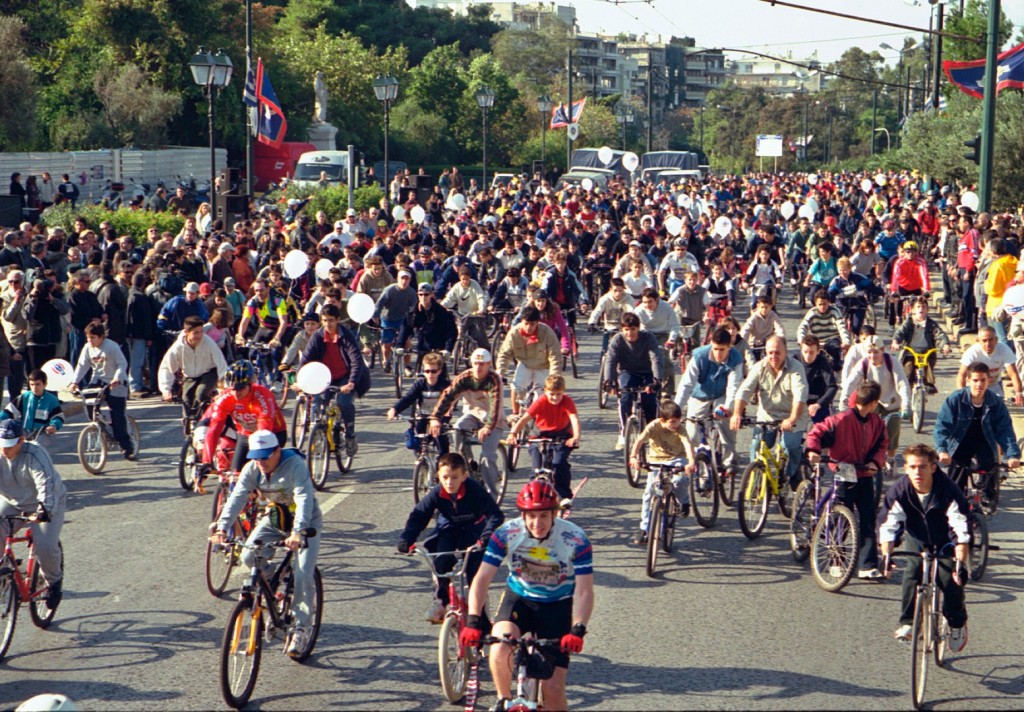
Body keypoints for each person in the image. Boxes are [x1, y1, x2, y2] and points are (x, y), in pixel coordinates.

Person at [459, 479, 594, 712]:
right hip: (519, 598)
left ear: (554, 514)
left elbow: (584, 591)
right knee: (501, 645)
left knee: (553, 689)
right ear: (522, 516)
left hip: (557, 605)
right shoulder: (506, 534)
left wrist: (578, 629)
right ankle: (504, 700)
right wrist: (472, 620)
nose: (537, 523)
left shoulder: (576, 539)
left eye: (543, 516)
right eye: (531, 516)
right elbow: (481, 579)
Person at [210, 430, 322, 657]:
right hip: (275, 519)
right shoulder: (253, 469)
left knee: (302, 573)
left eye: (265, 456)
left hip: (305, 522)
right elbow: (237, 497)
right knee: (249, 556)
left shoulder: (295, 466)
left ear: (277, 451)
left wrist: (298, 532)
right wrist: (222, 527)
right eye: (256, 456)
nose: (261, 462)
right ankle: (272, 579)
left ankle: (301, 627)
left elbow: (303, 498)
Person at [878, 444, 970, 649]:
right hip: (917, 536)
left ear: (933, 467)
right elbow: (888, 526)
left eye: (922, 467)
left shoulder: (948, 490)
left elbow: (961, 528)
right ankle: (909, 624)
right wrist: (886, 557)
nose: (917, 472)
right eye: (912, 467)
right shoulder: (899, 491)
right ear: (905, 468)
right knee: (912, 571)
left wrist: (961, 563)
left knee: (949, 578)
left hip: (945, 538)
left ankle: (956, 622)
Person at [397, 452, 504, 623]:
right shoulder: (437, 492)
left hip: (474, 531)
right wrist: (406, 539)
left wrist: (486, 536)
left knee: (475, 576)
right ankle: (441, 602)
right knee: (441, 562)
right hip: (448, 529)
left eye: (455, 477)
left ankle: (481, 622)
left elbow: (495, 514)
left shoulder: (475, 489)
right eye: (445, 477)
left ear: (464, 476)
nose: (449, 482)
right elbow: (419, 515)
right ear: (438, 476)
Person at [805, 382, 888, 579]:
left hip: (865, 472)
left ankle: (867, 565)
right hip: (844, 468)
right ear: (874, 402)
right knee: (841, 515)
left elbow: (882, 445)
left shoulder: (876, 422)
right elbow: (817, 432)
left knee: (868, 518)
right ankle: (835, 559)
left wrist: (876, 463)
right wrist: (813, 451)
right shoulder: (841, 419)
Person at [0, 420, 66, 611]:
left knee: (45, 545)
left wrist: (43, 511)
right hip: (12, 501)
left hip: (44, 503)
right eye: (2, 444)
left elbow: (45, 484)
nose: (5, 450)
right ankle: (5, 573)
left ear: (21, 440)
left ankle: (54, 582)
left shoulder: (35, 454)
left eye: (10, 446)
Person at [935, 362, 1020, 506]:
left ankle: (987, 498)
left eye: (983, 380)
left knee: (990, 469)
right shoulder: (955, 400)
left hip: (984, 441)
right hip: (960, 442)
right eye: (975, 380)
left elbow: (1005, 430)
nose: (979, 384)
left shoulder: (996, 402)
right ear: (968, 381)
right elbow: (942, 426)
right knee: (955, 484)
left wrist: (1012, 455)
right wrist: (942, 450)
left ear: (989, 381)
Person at [730, 336, 808, 490]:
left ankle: (793, 473)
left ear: (786, 352)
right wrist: (737, 413)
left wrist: (792, 419)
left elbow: (800, 395)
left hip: (792, 415)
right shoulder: (760, 367)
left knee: (790, 446)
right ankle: (756, 474)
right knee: (757, 445)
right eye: (770, 353)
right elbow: (744, 390)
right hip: (768, 416)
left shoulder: (795, 367)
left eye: (778, 353)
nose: (774, 357)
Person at [429, 349, 506, 495]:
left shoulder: (494, 379)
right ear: (471, 363)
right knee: (458, 427)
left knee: (487, 456)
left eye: (482, 364)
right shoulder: (464, 378)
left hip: (494, 420)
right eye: (476, 363)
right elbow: (448, 396)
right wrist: (435, 418)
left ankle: (491, 495)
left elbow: (496, 404)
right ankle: (467, 461)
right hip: (473, 414)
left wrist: (488, 426)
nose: (478, 367)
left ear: (489, 364)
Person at [299, 304, 370, 457]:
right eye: (324, 320)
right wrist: (300, 380)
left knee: (343, 403)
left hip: (345, 376)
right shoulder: (318, 336)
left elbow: (356, 360)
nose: (328, 324)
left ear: (338, 320)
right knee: (317, 403)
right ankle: (316, 435)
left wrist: (351, 382)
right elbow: (306, 359)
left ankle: (350, 435)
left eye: (331, 320)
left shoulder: (346, 335)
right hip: (324, 377)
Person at [673, 327, 743, 478]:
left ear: (729, 347)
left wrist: (727, 407)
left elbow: (734, 386)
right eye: (715, 349)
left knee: (726, 424)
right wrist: (676, 409)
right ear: (711, 344)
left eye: (722, 350)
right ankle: (697, 461)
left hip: (722, 395)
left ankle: (729, 460)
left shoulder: (735, 358)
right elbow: (686, 384)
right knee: (692, 433)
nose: (718, 353)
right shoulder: (700, 356)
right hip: (700, 395)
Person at [628, 400, 696, 545]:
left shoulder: (680, 429)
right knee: (648, 494)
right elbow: (639, 441)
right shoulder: (653, 426)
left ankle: (684, 502)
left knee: (680, 481)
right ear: (662, 420)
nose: (676, 425)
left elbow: (687, 444)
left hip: (677, 458)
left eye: (678, 421)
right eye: (672, 422)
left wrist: (691, 461)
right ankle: (644, 528)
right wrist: (633, 457)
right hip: (656, 460)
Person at [507, 374, 581, 506]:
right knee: (536, 467)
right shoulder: (541, 401)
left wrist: (576, 437)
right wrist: (513, 433)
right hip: (540, 435)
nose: (555, 398)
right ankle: (530, 494)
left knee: (559, 463)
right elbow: (524, 419)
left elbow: (574, 419)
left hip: (561, 435)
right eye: (551, 394)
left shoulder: (567, 401)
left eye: (559, 394)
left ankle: (564, 495)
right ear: (545, 391)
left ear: (563, 392)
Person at [203, 360, 288, 474]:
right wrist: (206, 462)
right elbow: (214, 430)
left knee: (259, 473)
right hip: (245, 434)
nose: (237, 393)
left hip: (273, 434)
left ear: (250, 384)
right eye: (233, 389)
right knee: (235, 474)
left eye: (241, 388)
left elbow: (264, 430)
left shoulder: (263, 396)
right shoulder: (225, 398)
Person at [839, 334, 910, 465]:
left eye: (876, 352)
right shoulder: (864, 363)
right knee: (868, 433)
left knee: (892, 434)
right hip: (872, 402)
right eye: (869, 352)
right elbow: (851, 383)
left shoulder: (892, 362)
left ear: (883, 350)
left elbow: (902, 383)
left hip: (891, 401)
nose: (873, 356)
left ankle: (891, 458)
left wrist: (906, 405)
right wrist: (844, 400)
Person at [69, 322, 136, 460]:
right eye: (88, 337)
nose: (90, 341)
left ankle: (126, 446)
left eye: (93, 337)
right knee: (89, 403)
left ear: (101, 337)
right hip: (98, 380)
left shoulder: (112, 346)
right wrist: (74, 382)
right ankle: (98, 425)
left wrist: (117, 378)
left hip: (116, 382)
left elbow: (122, 364)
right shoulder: (88, 348)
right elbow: (82, 365)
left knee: (117, 414)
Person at [603, 312, 662, 451]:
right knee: (625, 398)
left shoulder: (648, 338)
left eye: (633, 329)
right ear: (622, 329)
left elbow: (656, 358)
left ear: (638, 328)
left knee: (649, 400)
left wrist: (656, 380)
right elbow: (611, 361)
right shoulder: (617, 340)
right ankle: (624, 432)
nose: (630, 333)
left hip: (648, 372)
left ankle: (651, 431)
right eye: (626, 330)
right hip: (627, 371)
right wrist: (609, 381)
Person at [496, 306, 561, 418]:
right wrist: (500, 373)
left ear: (537, 322)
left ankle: (540, 419)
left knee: (542, 395)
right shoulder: (514, 333)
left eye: (532, 324)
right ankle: (515, 415)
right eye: (526, 323)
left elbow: (555, 357)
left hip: (543, 365)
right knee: (516, 387)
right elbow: (504, 354)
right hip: (525, 364)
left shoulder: (547, 333)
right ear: (521, 321)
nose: (529, 327)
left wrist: (553, 377)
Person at [157, 315, 228, 416]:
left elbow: (221, 364)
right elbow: (167, 367)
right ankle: (190, 423)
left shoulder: (208, 343)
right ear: (186, 332)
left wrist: (224, 387)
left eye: (201, 332)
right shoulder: (178, 347)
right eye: (196, 333)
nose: (199, 336)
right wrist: (166, 390)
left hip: (209, 373)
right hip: (190, 376)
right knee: (186, 401)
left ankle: (205, 421)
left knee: (201, 394)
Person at [387, 351, 452, 456]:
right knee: (416, 441)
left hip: (440, 418)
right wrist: (395, 409)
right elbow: (408, 398)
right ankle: (422, 462)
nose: (430, 374)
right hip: (423, 416)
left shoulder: (445, 385)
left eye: (433, 371)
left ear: (439, 371)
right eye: (427, 371)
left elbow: (449, 404)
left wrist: (441, 420)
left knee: (441, 444)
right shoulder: (420, 384)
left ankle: (441, 464)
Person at [891, 297, 952, 394]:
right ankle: (906, 391)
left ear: (927, 310)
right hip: (910, 352)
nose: (921, 309)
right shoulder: (909, 323)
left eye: (923, 307)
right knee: (909, 371)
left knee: (928, 367)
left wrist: (945, 345)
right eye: (918, 307)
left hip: (926, 352)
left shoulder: (931, 324)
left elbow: (940, 335)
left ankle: (929, 384)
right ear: (913, 310)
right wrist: (896, 342)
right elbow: (900, 332)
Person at [956, 325, 1023, 403]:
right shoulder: (972, 352)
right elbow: (961, 375)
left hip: (993, 384)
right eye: (984, 340)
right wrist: (962, 394)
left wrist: (1019, 393)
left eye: (990, 340)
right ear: (978, 341)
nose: (988, 344)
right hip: (974, 385)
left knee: (997, 406)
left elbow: (1013, 374)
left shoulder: (1004, 349)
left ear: (996, 340)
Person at [1, 369, 64, 446]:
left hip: (42, 434)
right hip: (24, 432)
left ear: (45, 384)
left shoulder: (52, 400)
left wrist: (54, 426)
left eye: (38, 384)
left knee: (36, 449)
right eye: (32, 384)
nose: (34, 387)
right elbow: (9, 411)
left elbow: (58, 417)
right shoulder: (24, 397)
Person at [796, 289, 850, 369]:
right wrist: (801, 340)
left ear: (829, 302)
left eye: (824, 304)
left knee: (835, 362)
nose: (822, 307)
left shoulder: (834, 311)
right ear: (815, 304)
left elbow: (841, 327)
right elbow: (803, 327)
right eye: (820, 304)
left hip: (832, 340)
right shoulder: (812, 313)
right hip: (817, 342)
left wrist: (846, 341)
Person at [442, 266, 490, 351]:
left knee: (480, 337)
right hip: (461, 316)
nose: (465, 281)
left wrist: (481, 309)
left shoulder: (474, 285)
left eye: (467, 279)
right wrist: (441, 307)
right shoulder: (457, 287)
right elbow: (449, 299)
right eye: (463, 279)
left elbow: (480, 297)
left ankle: (487, 353)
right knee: (457, 333)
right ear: (460, 278)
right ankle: (457, 351)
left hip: (474, 315)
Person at [797, 334, 838, 424]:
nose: (808, 356)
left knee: (823, 432)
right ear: (801, 350)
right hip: (797, 401)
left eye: (811, 352)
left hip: (817, 402)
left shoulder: (823, 362)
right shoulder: (795, 361)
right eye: (805, 352)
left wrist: (819, 404)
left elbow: (832, 386)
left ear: (818, 351)